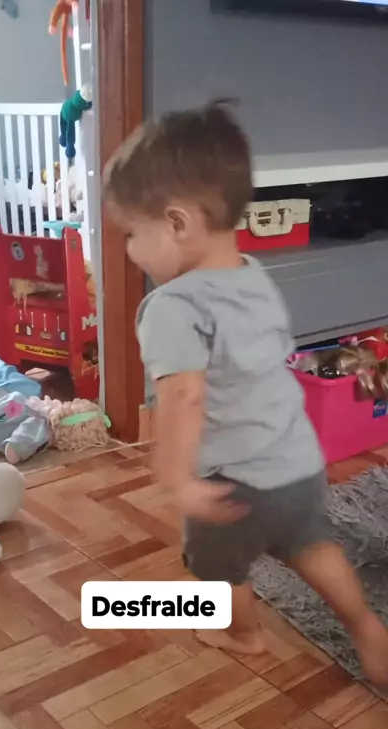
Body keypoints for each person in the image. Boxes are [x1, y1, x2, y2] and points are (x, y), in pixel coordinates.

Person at [102, 98, 388, 687]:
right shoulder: (253, 276)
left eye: (131, 233)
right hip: (298, 462)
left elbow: (184, 397)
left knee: (218, 566)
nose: (128, 249)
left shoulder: (170, 306)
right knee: (312, 546)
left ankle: (244, 634)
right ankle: (366, 627)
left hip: (233, 483)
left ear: (177, 223)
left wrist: (177, 476)